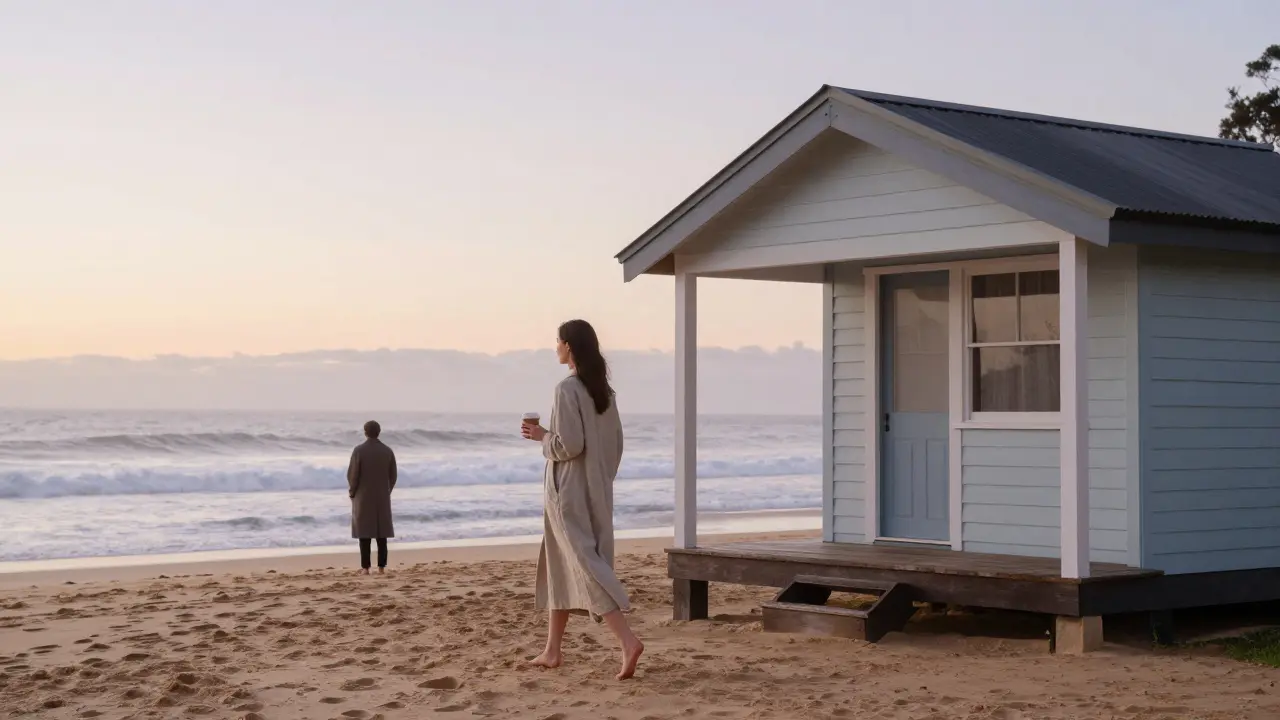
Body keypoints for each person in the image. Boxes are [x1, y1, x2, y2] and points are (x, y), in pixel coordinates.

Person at [521, 319, 643, 681]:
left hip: (569, 491)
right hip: (597, 489)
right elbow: (615, 446)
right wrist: (601, 477)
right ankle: (552, 649)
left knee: (585, 564)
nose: (556, 347)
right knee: (562, 562)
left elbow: (568, 445)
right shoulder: (604, 393)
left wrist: (542, 436)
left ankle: (628, 641)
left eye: (558, 342)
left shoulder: (567, 389)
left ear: (569, 347)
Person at [347, 420, 397, 575]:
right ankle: (382, 567)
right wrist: (387, 491)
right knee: (381, 534)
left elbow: (353, 474)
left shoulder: (359, 451)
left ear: (365, 432)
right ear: (379, 432)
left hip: (363, 495)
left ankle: (366, 568)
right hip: (382, 495)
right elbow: (393, 475)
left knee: (364, 533)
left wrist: (352, 491)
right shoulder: (387, 451)